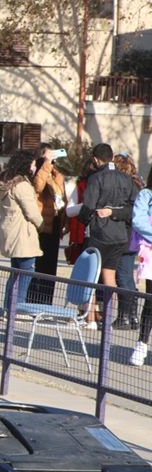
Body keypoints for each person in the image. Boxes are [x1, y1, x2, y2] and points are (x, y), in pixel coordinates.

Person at [80, 144, 140, 326]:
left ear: (96, 159)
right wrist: (116, 213)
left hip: (99, 233)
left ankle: (90, 319)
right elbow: (134, 207)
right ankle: (107, 318)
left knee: (90, 276)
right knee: (110, 277)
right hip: (120, 235)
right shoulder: (126, 179)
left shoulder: (96, 178)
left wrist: (84, 219)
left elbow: (88, 206)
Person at [0, 151, 43, 312]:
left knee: (15, 272)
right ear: (26, 165)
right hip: (22, 234)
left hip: (11, 231)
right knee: (26, 271)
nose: (34, 167)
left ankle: (8, 307)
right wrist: (42, 225)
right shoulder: (22, 185)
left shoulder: (7, 182)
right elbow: (32, 213)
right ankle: (17, 308)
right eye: (33, 164)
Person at [27, 143, 67, 305]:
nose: (52, 159)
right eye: (48, 155)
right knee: (37, 265)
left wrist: (65, 223)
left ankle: (45, 302)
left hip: (55, 223)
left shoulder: (57, 174)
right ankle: (31, 300)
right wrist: (45, 165)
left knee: (50, 268)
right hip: (41, 224)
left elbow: (62, 200)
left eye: (53, 155)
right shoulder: (35, 172)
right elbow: (38, 186)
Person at [113, 153, 144, 329]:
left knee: (122, 276)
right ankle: (132, 316)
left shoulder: (126, 187)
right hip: (132, 238)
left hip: (124, 237)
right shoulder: (137, 185)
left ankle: (125, 316)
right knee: (127, 277)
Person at [127, 167, 152, 364]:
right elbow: (139, 221)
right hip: (150, 252)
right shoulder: (146, 195)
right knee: (151, 301)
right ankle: (141, 344)